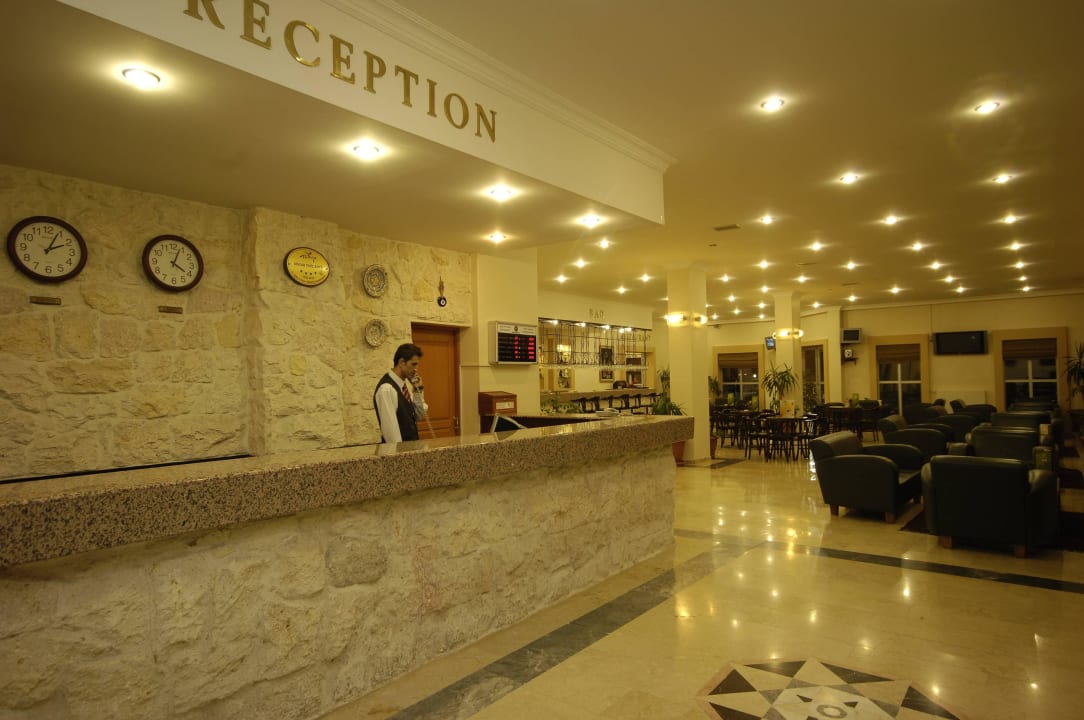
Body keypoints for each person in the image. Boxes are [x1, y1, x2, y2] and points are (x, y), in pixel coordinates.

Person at [374, 343, 428, 443]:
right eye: (413, 364)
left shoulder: (403, 386)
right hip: (400, 453)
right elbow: (391, 433)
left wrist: (417, 390)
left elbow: (418, 415)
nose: (416, 369)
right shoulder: (387, 389)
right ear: (402, 362)